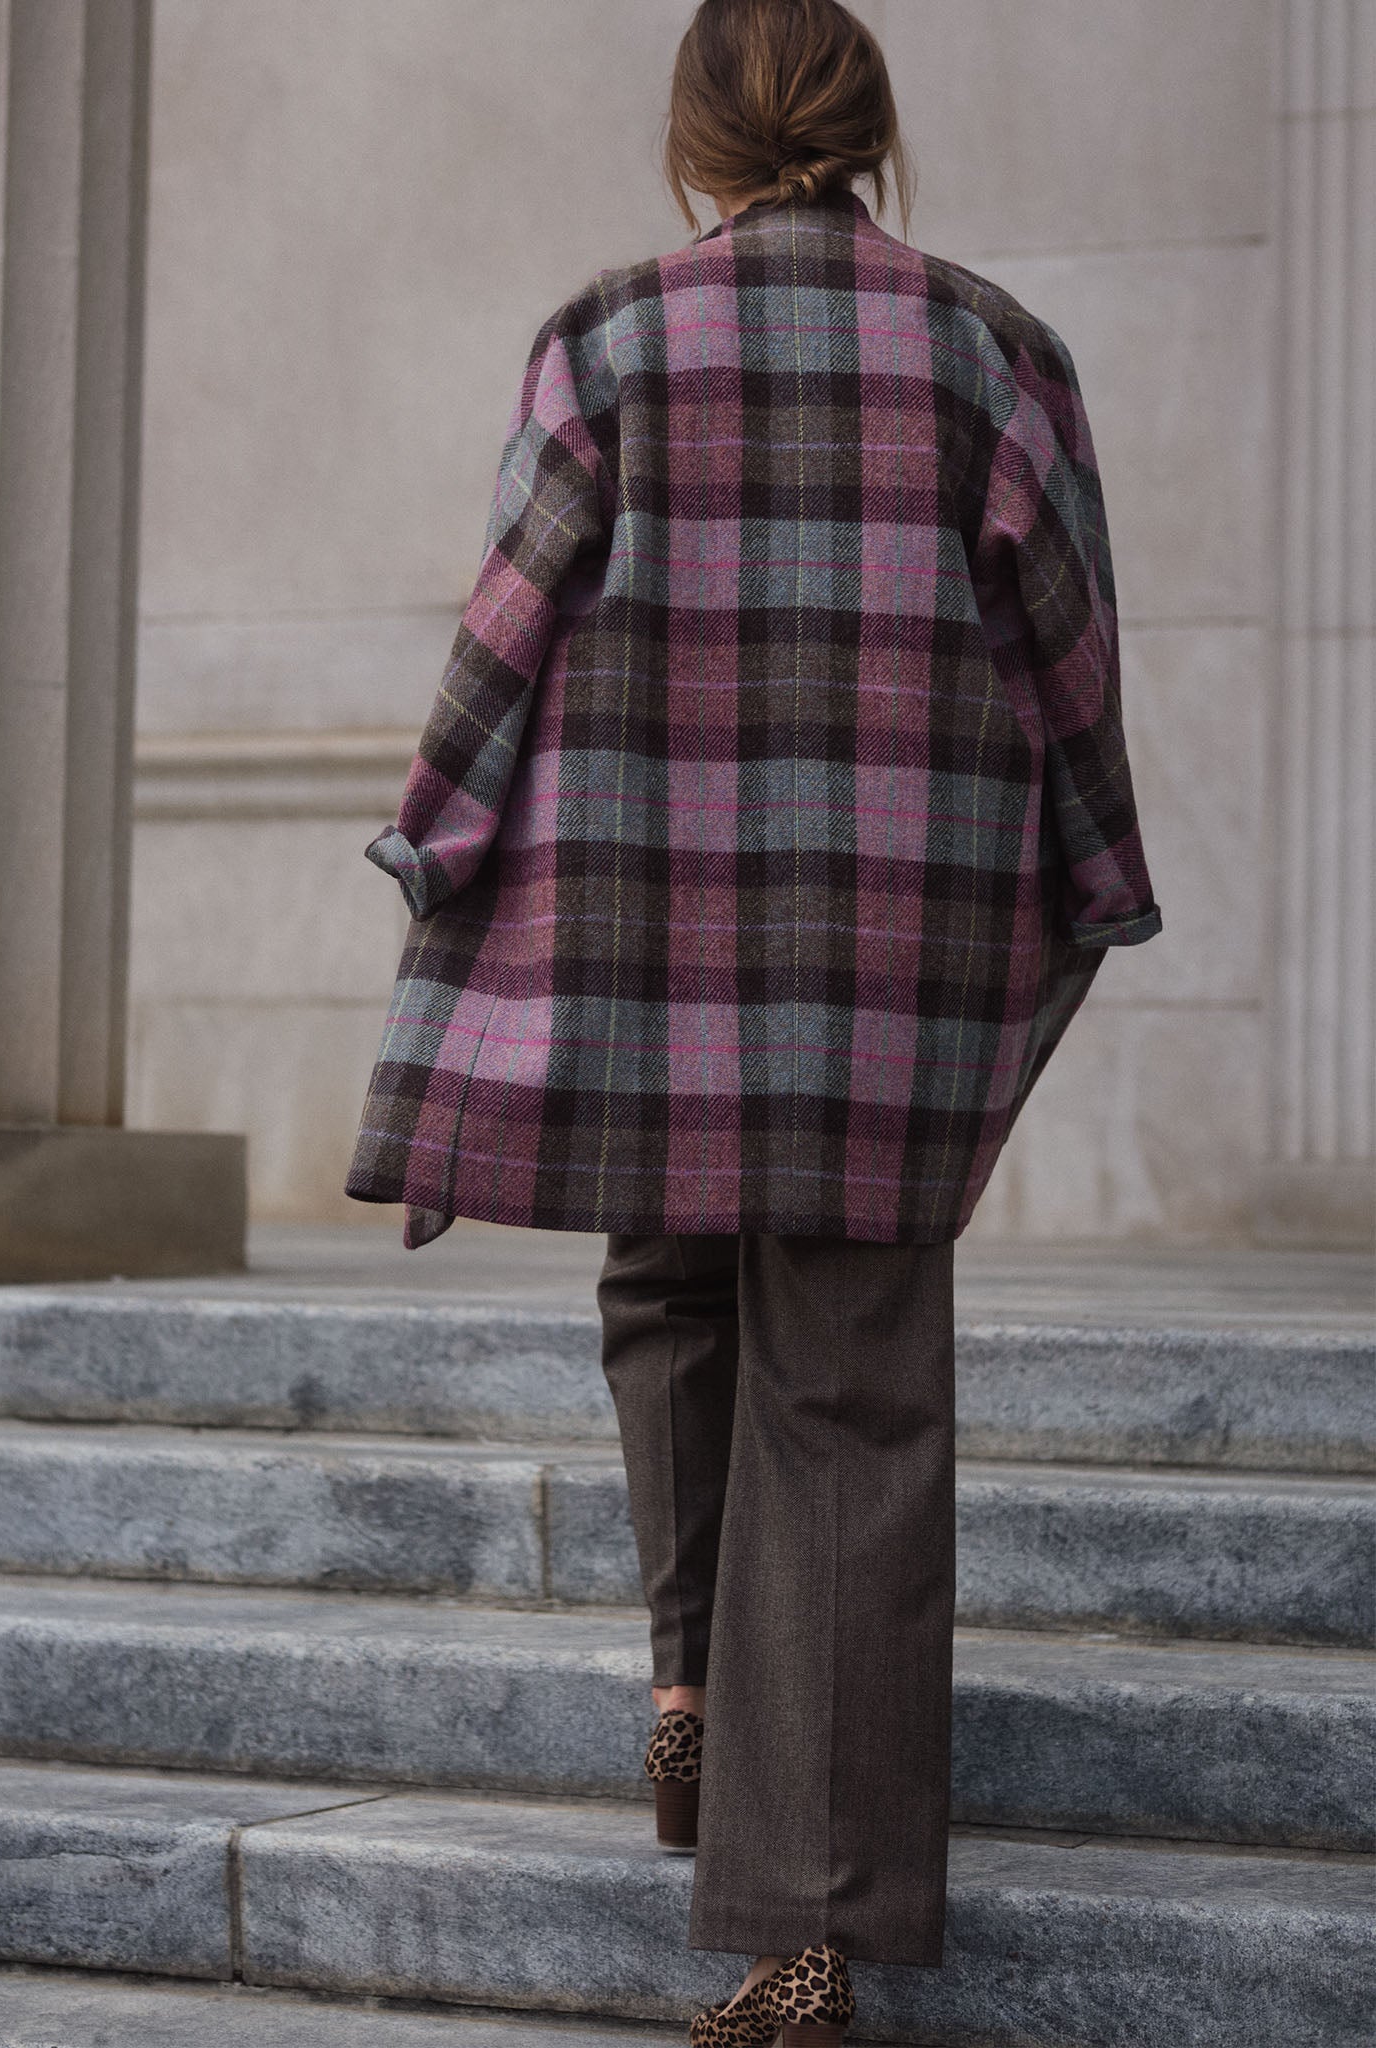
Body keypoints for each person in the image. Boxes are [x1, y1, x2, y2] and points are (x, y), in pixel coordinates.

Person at [345, 0, 1162, 2038]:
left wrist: (433, 831)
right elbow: (1066, 651)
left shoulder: (607, 338)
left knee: (667, 1272)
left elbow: (505, 625)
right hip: (891, 942)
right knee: (852, 1386)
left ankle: (693, 1678)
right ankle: (805, 1932)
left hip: (654, 915)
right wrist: (1096, 866)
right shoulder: (990, 350)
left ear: (693, 146)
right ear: (871, 137)